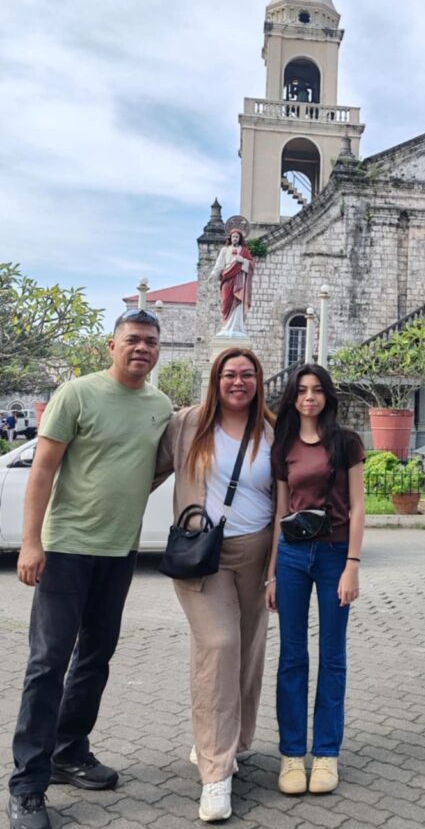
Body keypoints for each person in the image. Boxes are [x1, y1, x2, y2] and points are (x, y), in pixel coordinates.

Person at [7, 309, 171, 829]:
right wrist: (31, 544)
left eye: (150, 341)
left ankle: (69, 751)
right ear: (112, 345)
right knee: (47, 663)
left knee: (95, 657)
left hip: (119, 552)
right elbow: (43, 470)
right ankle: (27, 786)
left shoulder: (160, 405)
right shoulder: (77, 394)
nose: (141, 348)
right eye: (132, 340)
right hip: (66, 550)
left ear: (158, 350)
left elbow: (148, 469)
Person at [154, 347, 275, 823]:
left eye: (247, 374)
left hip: (258, 552)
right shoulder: (187, 424)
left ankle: (229, 741)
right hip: (201, 555)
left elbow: (290, 493)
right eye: (230, 374)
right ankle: (216, 773)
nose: (238, 382)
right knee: (220, 645)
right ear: (215, 379)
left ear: (258, 381)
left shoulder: (271, 430)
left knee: (248, 649)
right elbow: (144, 470)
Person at [266, 364, 365, 797]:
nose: (310, 397)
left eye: (317, 390)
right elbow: (280, 511)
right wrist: (270, 572)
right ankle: (291, 755)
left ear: (327, 396)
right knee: (291, 657)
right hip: (291, 557)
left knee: (332, 656)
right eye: (302, 390)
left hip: (332, 557)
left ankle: (325, 753)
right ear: (293, 397)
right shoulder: (283, 445)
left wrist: (352, 564)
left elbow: (359, 507)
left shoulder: (346, 443)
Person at [210, 229, 255, 337]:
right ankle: (226, 325)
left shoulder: (244, 250)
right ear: (230, 238)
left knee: (237, 300)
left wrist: (242, 260)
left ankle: (236, 326)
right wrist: (214, 274)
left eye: (237, 237)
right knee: (226, 301)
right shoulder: (225, 250)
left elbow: (252, 265)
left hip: (238, 279)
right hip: (227, 277)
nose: (235, 239)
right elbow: (219, 264)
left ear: (240, 239)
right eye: (233, 236)